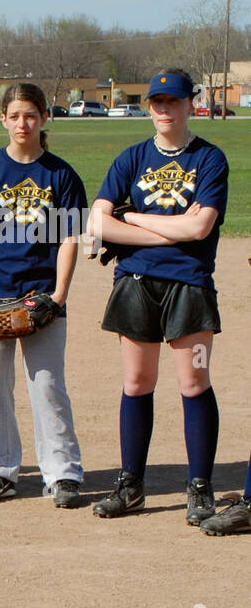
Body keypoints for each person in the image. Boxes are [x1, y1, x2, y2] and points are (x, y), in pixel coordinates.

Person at [87, 69, 228, 525]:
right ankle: (131, 486)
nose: (164, 109)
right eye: (156, 102)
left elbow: (200, 227)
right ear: (148, 107)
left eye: (173, 101)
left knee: (194, 384)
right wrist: (170, 231)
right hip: (136, 284)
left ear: (191, 104)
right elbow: (98, 223)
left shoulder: (209, 159)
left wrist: (138, 220)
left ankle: (200, 487)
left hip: (190, 285)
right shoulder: (131, 158)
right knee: (136, 384)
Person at [0, 83, 86, 508]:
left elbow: (69, 238)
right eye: (14, 115)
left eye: (30, 115)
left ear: (44, 118)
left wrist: (59, 295)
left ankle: (62, 473)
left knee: (47, 386)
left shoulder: (61, 175)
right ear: (3, 120)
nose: (22, 123)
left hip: (42, 297)